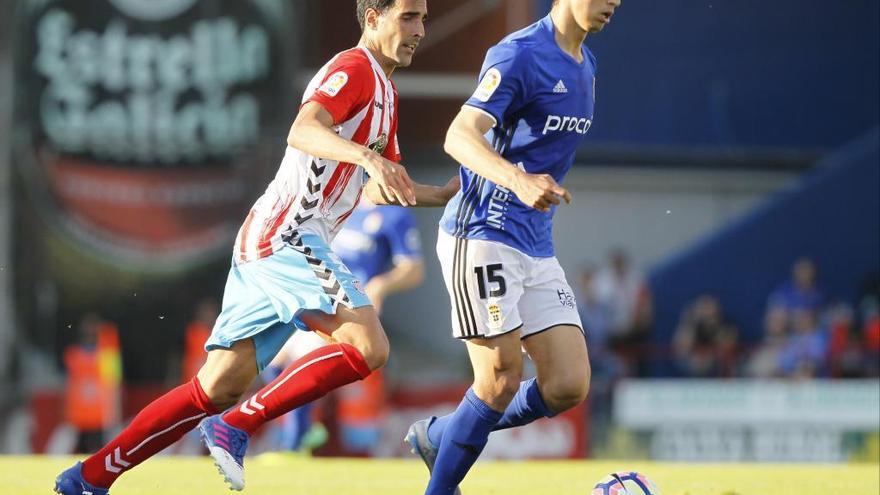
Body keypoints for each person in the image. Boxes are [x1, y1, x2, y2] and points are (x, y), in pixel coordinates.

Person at [54, 1, 456, 493]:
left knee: (215, 386)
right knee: (368, 346)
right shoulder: (355, 69)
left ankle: (88, 477)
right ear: (373, 17)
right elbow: (304, 129)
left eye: (422, 18)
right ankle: (238, 425)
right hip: (288, 235)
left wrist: (445, 194)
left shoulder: (387, 93)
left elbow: (376, 187)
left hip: (270, 240)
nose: (419, 29)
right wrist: (365, 159)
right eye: (408, 16)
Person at [404, 1, 621, 493]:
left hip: (536, 246)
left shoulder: (588, 65)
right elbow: (458, 136)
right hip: (481, 234)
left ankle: (441, 434)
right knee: (500, 379)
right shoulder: (518, 53)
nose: (613, 4)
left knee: (568, 384)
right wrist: (516, 181)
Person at [271, 199, 425, 453]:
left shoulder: (393, 215)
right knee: (276, 365)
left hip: (350, 307)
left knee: (296, 364)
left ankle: (295, 443)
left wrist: (380, 285)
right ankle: (302, 433)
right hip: (316, 298)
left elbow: (414, 269)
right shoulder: (338, 205)